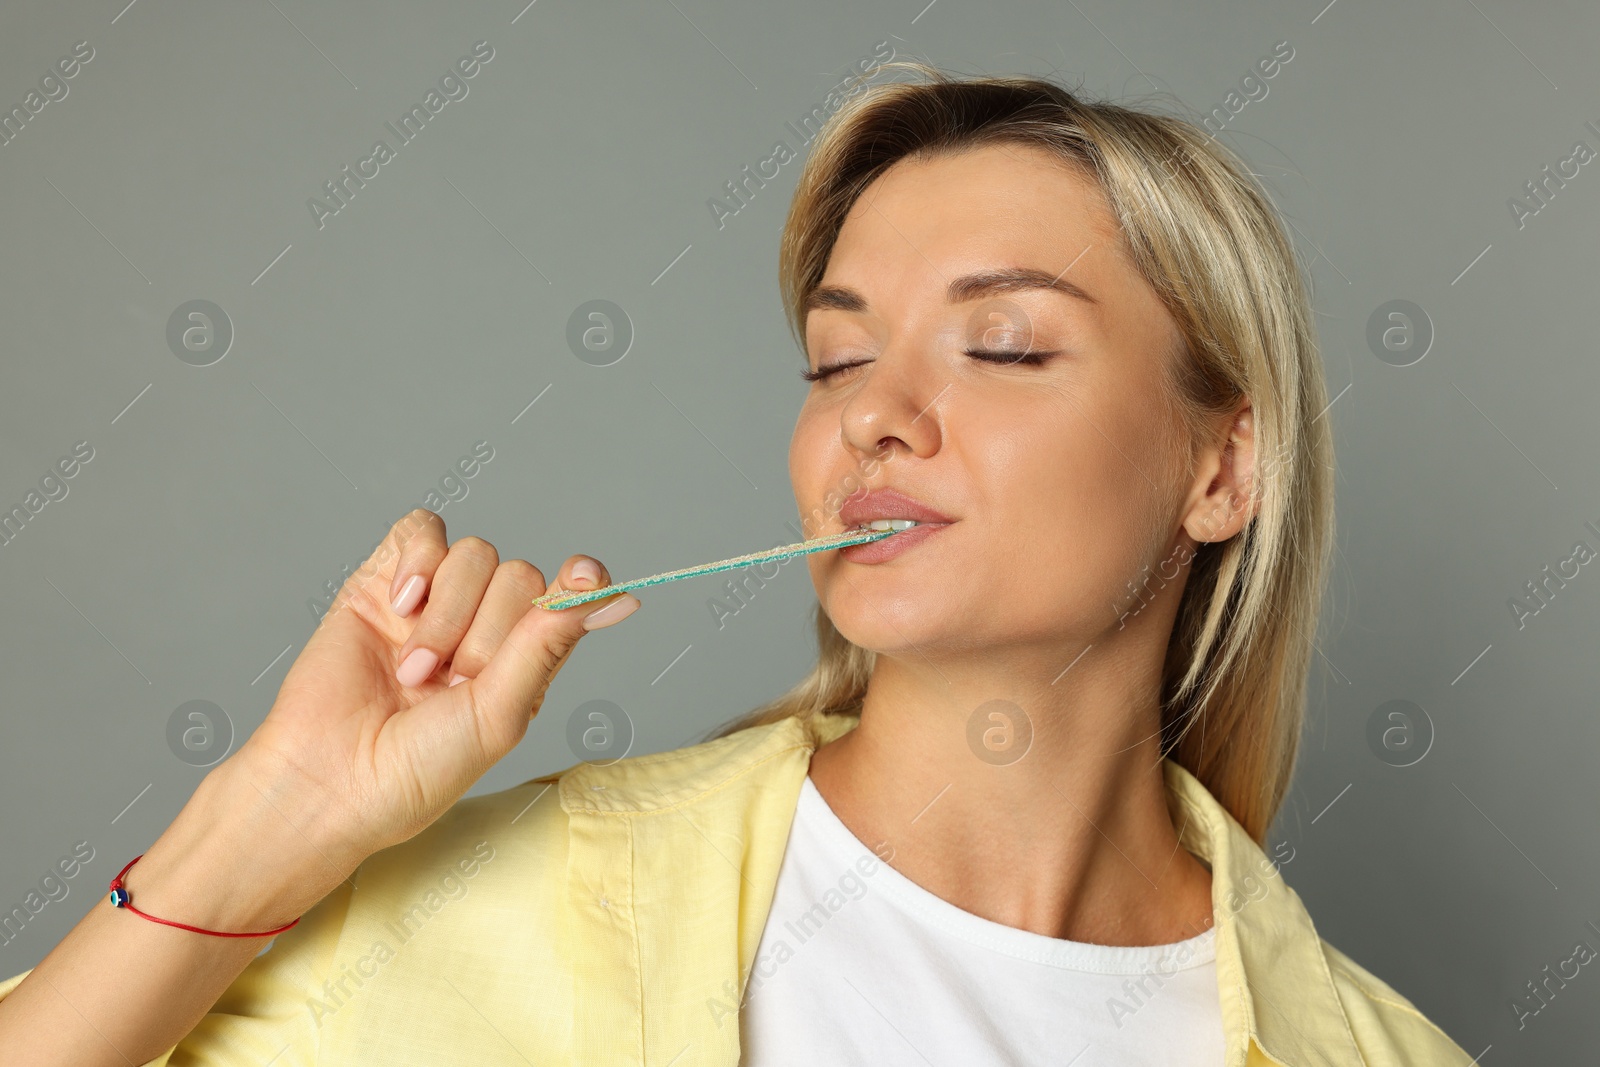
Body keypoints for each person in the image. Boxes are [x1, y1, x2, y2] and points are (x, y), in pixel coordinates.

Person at [0, 61, 1474, 1065]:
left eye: (1005, 345)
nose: (877, 419)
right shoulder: (511, 915)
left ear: (1223, 467)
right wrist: (275, 814)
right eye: (838, 360)